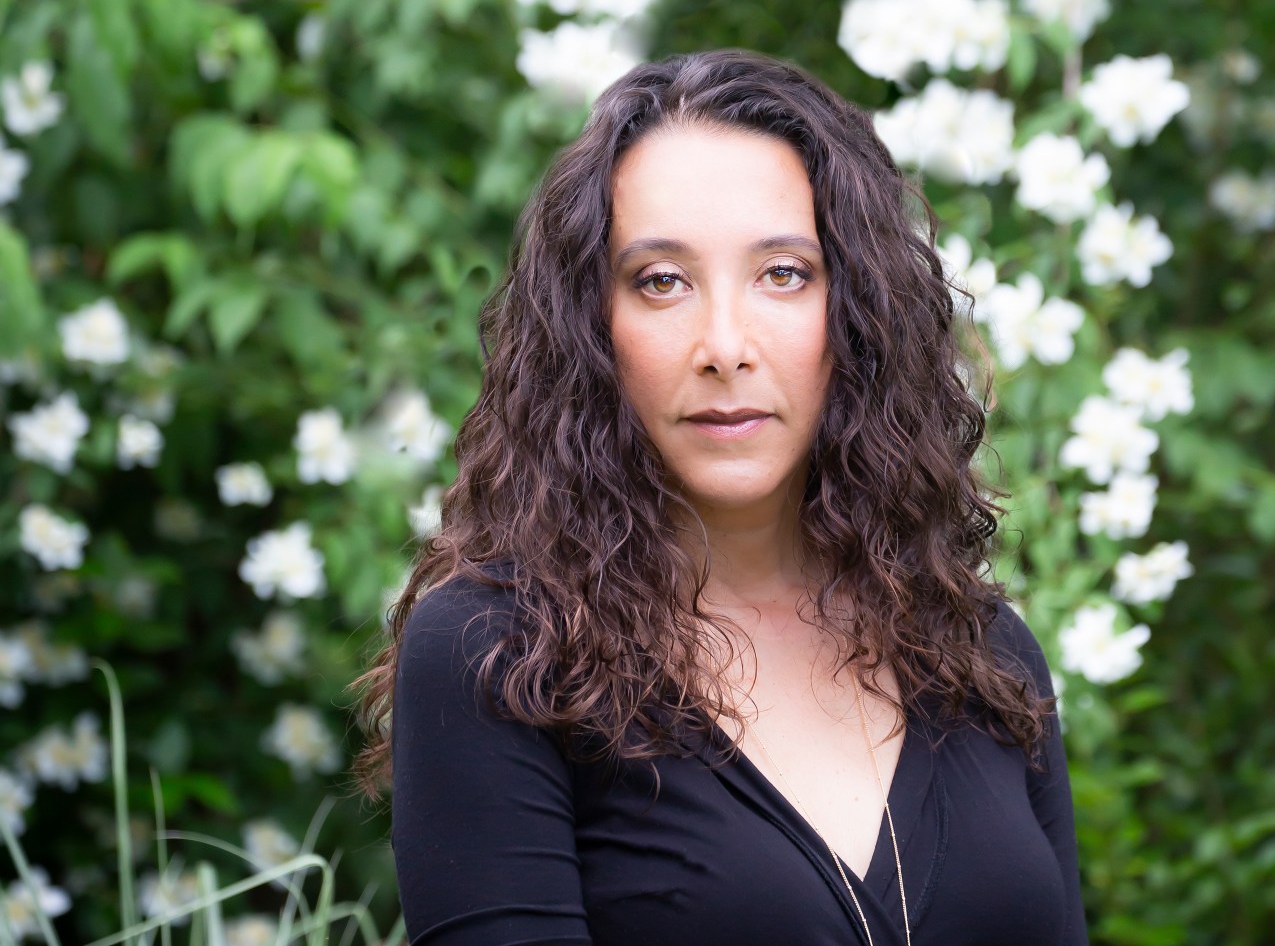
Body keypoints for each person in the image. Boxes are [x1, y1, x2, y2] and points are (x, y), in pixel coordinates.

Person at [349, 48, 1088, 946]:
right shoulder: (502, 656)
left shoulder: (982, 652)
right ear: (591, 325)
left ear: (856, 311)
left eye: (783, 273)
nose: (725, 346)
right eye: (662, 281)